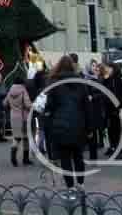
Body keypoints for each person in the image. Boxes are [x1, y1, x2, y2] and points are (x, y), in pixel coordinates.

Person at [44, 56, 91, 198]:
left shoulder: (54, 83)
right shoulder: (80, 82)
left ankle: (70, 188)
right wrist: (89, 128)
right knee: (78, 156)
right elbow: (87, 107)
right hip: (78, 125)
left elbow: (49, 106)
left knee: (65, 158)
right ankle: (81, 185)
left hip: (60, 125)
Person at [4, 77, 32, 166]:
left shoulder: (10, 91)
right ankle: (26, 159)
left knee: (16, 138)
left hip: (13, 117)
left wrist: (13, 107)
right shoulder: (23, 90)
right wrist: (33, 106)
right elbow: (28, 105)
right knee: (26, 138)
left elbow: (4, 103)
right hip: (23, 117)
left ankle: (13, 157)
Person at [102, 62, 122, 159]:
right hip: (110, 109)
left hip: (115, 109)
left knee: (117, 130)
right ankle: (114, 147)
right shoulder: (109, 79)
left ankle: (120, 150)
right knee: (111, 130)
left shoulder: (116, 80)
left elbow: (117, 95)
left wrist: (117, 107)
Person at [85, 65, 107, 160]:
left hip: (95, 109)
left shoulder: (96, 81)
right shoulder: (86, 82)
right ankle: (92, 154)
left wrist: (92, 97)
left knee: (93, 131)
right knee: (92, 132)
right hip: (91, 110)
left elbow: (102, 94)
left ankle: (94, 153)